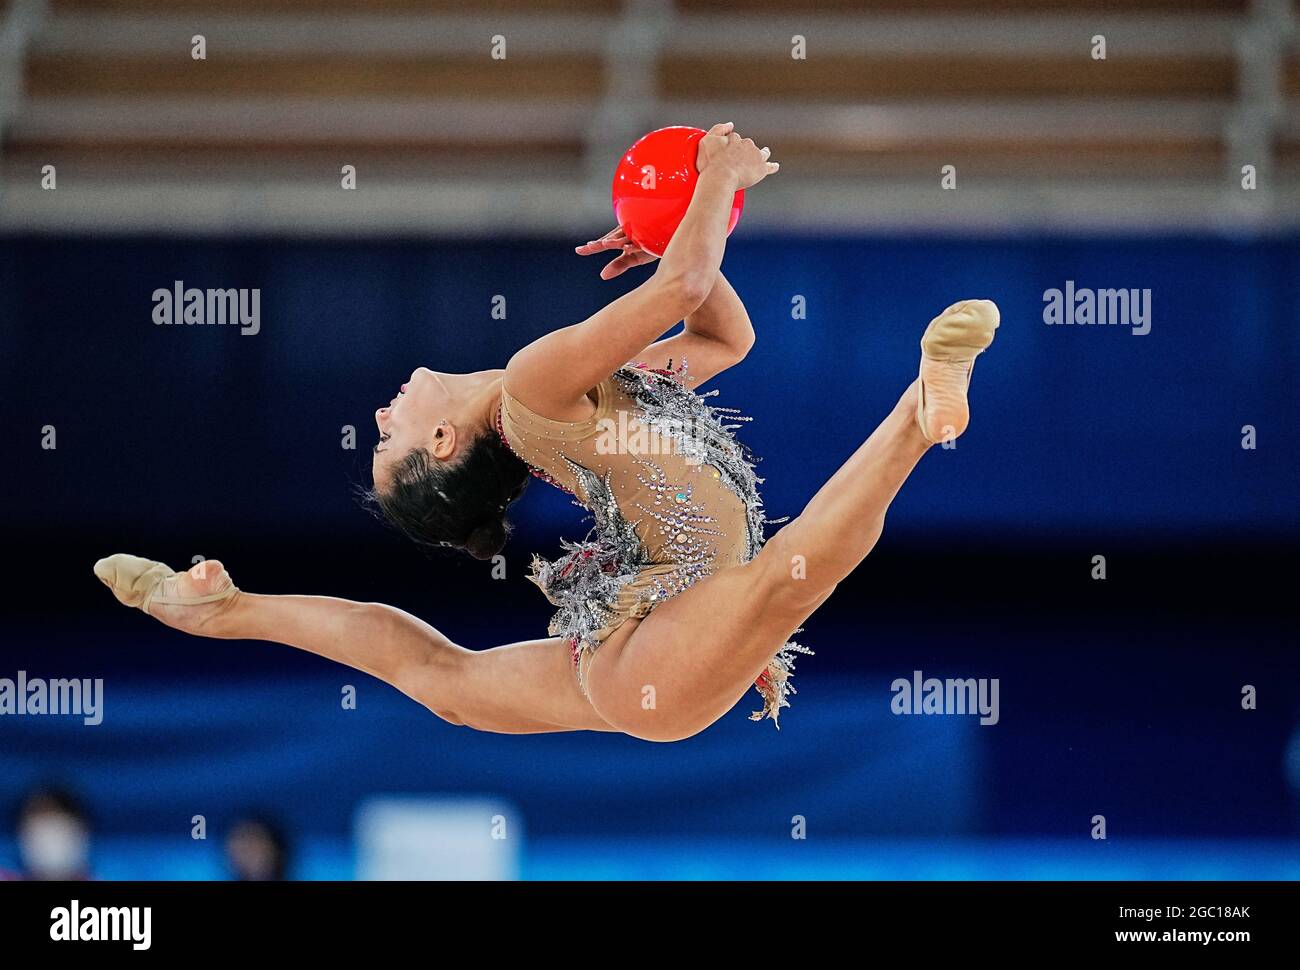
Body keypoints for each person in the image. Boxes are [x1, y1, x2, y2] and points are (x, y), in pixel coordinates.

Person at [94, 122, 998, 740]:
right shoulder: (533, 387)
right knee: (782, 582)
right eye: (387, 437)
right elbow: (681, 295)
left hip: (639, 650)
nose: (379, 413)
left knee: (444, 684)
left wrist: (676, 238)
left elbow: (725, 333)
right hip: (665, 644)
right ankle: (918, 414)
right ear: (444, 444)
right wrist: (717, 180)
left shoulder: (589, 407)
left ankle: (223, 611)